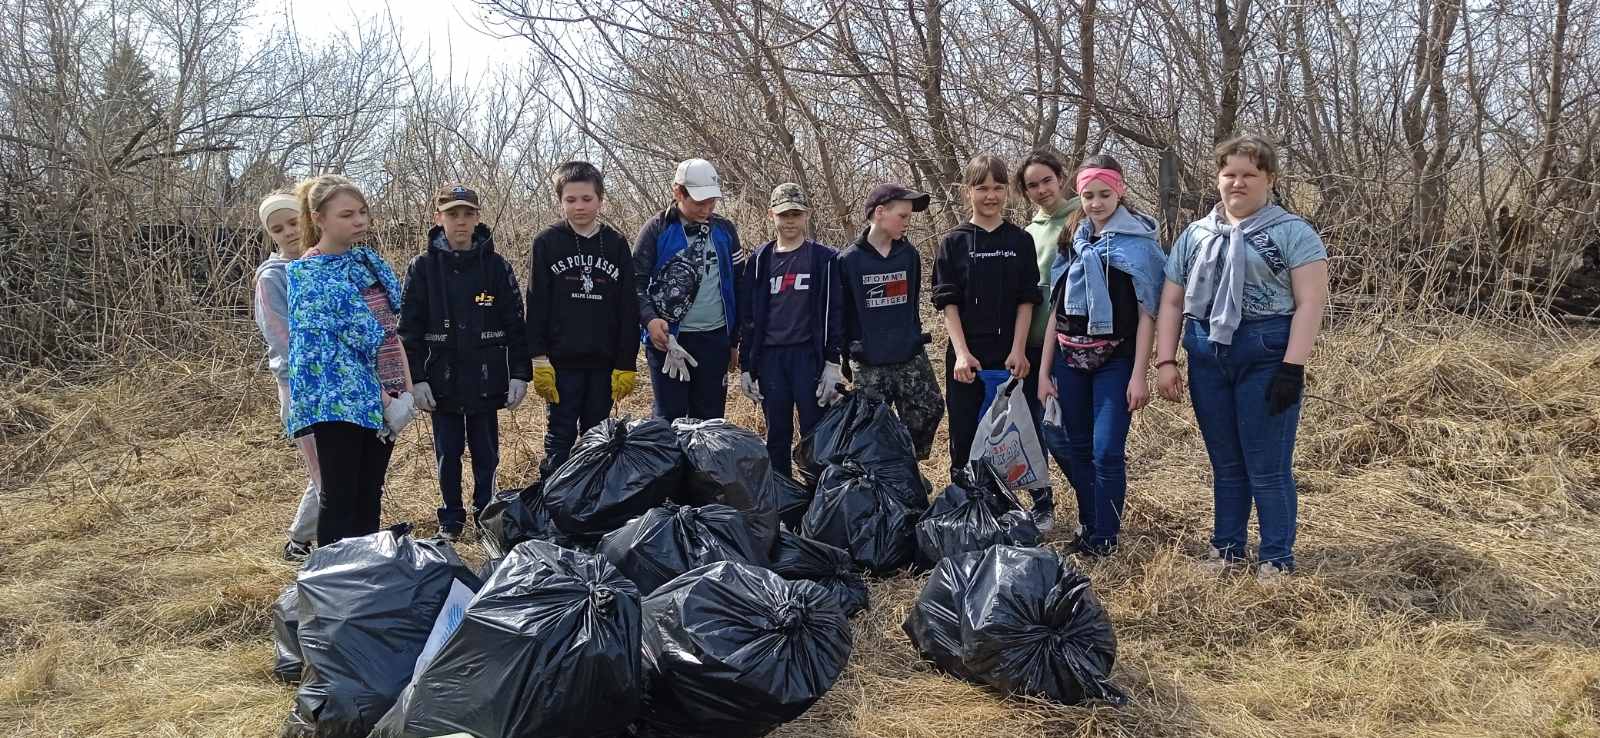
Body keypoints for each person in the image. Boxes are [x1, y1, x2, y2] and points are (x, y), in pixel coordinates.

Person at [1154, 134, 1329, 579]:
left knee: (1266, 464)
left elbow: (1310, 302)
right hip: (1207, 354)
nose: (1238, 182)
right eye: (1229, 173)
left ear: (1268, 178)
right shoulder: (1195, 234)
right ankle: (1227, 549)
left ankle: (1276, 557)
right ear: (1217, 179)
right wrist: (1166, 360)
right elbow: (1172, 301)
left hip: (1267, 353)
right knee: (1225, 462)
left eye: (1249, 174)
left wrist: (1293, 366)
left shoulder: (1292, 233)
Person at [1036, 155, 1166, 556]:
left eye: (1105, 194)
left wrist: (1139, 374)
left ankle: (1107, 536)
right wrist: (1044, 372)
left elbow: (1149, 313)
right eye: (1088, 195)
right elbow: (1056, 310)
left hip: (1116, 359)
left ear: (1120, 191)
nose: (1096, 203)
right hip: (1069, 358)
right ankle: (1089, 528)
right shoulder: (1072, 240)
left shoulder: (1141, 243)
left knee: (1106, 450)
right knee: (1077, 448)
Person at [286, 174, 416, 546]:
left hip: (387, 395)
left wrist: (405, 391)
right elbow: (332, 356)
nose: (359, 220)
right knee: (340, 496)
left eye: (362, 212)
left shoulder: (367, 263)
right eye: (346, 214)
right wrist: (384, 400)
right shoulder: (308, 275)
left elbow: (392, 329)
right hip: (340, 402)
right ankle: (332, 586)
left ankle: (364, 579)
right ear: (319, 218)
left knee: (369, 493)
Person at [397, 184, 531, 540]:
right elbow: (407, 331)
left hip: (488, 380)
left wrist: (520, 374)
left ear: (477, 218)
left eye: (467, 214)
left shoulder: (496, 266)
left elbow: (516, 324)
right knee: (448, 454)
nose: (460, 222)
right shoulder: (422, 268)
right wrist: (418, 380)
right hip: (441, 383)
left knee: (486, 454)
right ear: (438, 218)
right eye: (452, 214)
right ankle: (451, 520)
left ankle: (486, 516)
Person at [932, 155, 1041, 497]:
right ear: (968, 192)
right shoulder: (953, 242)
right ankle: (966, 507)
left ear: (1007, 191)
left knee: (1010, 436)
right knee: (965, 434)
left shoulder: (1020, 241)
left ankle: (1008, 505)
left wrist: (1019, 350)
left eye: (997, 188)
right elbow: (947, 303)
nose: (990, 196)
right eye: (982, 188)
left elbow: (1027, 300)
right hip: (968, 359)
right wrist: (962, 354)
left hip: (1010, 356)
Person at [526, 161, 639, 477]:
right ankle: (553, 507)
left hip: (603, 364)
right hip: (561, 364)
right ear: (560, 201)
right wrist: (538, 359)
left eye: (587, 198)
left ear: (600, 199)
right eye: (571, 199)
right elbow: (535, 304)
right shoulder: (546, 243)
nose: (579, 206)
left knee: (597, 439)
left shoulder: (616, 245)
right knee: (559, 438)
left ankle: (592, 507)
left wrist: (626, 362)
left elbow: (627, 308)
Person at [738, 183, 845, 476]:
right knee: (777, 435)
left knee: (816, 432)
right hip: (771, 359)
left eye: (796, 214)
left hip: (808, 357)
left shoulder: (824, 259)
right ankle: (783, 505)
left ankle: (817, 503)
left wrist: (833, 362)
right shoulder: (759, 261)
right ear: (771, 214)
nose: (790, 221)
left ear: (806, 215)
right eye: (784, 214)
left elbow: (836, 312)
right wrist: (746, 367)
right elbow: (748, 317)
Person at [837, 183, 944, 461]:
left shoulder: (909, 255)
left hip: (908, 354)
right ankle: (882, 480)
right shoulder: (848, 260)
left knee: (930, 407)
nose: (908, 223)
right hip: (870, 361)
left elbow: (911, 307)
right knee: (871, 429)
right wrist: (843, 359)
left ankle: (907, 464)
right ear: (880, 213)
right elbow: (842, 314)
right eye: (903, 216)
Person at [632, 158, 744, 421]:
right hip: (669, 342)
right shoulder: (657, 229)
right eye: (699, 202)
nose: (707, 208)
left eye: (712, 202)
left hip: (715, 340)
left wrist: (735, 340)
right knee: (669, 418)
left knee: (710, 419)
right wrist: (649, 320)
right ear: (678, 192)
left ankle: (704, 465)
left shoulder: (725, 230)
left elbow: (740, 284)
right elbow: (634, 283)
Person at [1014, 151, 1082, 530]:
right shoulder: (1029, 231)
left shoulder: (1080, 218)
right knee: (1032, 432)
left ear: (1061, 177)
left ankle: (1092, 502)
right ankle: (1043, 504)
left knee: (1061, 432)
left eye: (1046, 181)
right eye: (1032, 185)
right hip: (1032, 345)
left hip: (1068, 347)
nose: (1041, 190)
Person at [253, 192, 322, 561]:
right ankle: (299, 541)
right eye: (277, 229)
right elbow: (281, 338)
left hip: (335, 385)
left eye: (293, 223)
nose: (288, 233)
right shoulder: (272, 278)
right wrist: (318, 369)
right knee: (324, 473)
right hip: (298, 387)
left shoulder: (323, 264)